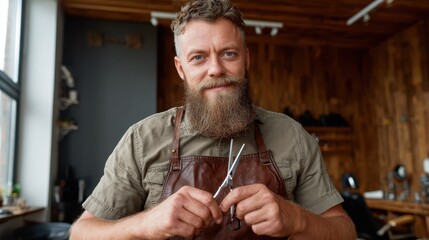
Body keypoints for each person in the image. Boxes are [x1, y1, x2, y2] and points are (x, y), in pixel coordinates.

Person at [70, 0, 356, 239]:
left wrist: (297, 218)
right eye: (198, 58)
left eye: (228, 54)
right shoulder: (142, 139)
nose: (216, 69)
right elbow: (81, 233)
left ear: (246, 59)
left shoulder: (292, 136)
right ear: (181, 69)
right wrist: (146, 223)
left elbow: (345, 232)